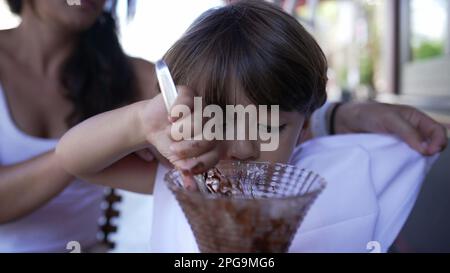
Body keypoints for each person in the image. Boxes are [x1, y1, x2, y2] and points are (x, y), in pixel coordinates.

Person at [55, 0, 447, 252]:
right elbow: (73, 159)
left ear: (306, 122)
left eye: (270, 127)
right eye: (219, 122)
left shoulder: (346, 168)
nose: (243, 148)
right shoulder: (185, 177)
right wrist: (139, 122)